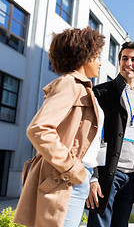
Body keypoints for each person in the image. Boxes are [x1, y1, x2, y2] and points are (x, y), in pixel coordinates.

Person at [13, 27, 105, 227]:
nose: (100, 62)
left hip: (77, 177)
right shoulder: (69, 84)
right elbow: (39, 129)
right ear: (84, 54)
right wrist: (73, 168)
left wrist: (87, 176)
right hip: (65, 179)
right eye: (97, 55)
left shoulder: (82, 87)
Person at [86, 41, 134, 227]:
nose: (128, 63)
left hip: (131, 177)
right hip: (107, 174)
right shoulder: (102, 92)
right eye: (125, 58)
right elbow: (89, 138)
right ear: (119, 62)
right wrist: (93, 177)